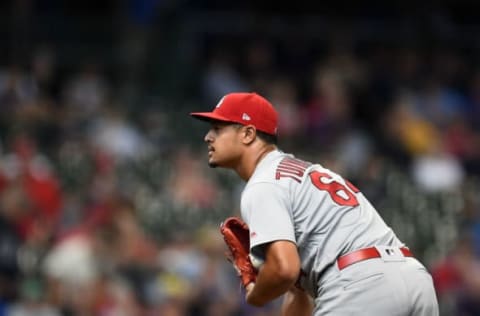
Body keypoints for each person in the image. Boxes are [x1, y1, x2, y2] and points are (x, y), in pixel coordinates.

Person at [190, 92, 439, 315]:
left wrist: (257, 293)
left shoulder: (263, 184)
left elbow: (284, 270)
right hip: (414, 280)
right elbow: (297, 295)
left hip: (359, 286)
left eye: (218, 128)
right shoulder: (306, 172)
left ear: (247, 133)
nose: (207, 137)